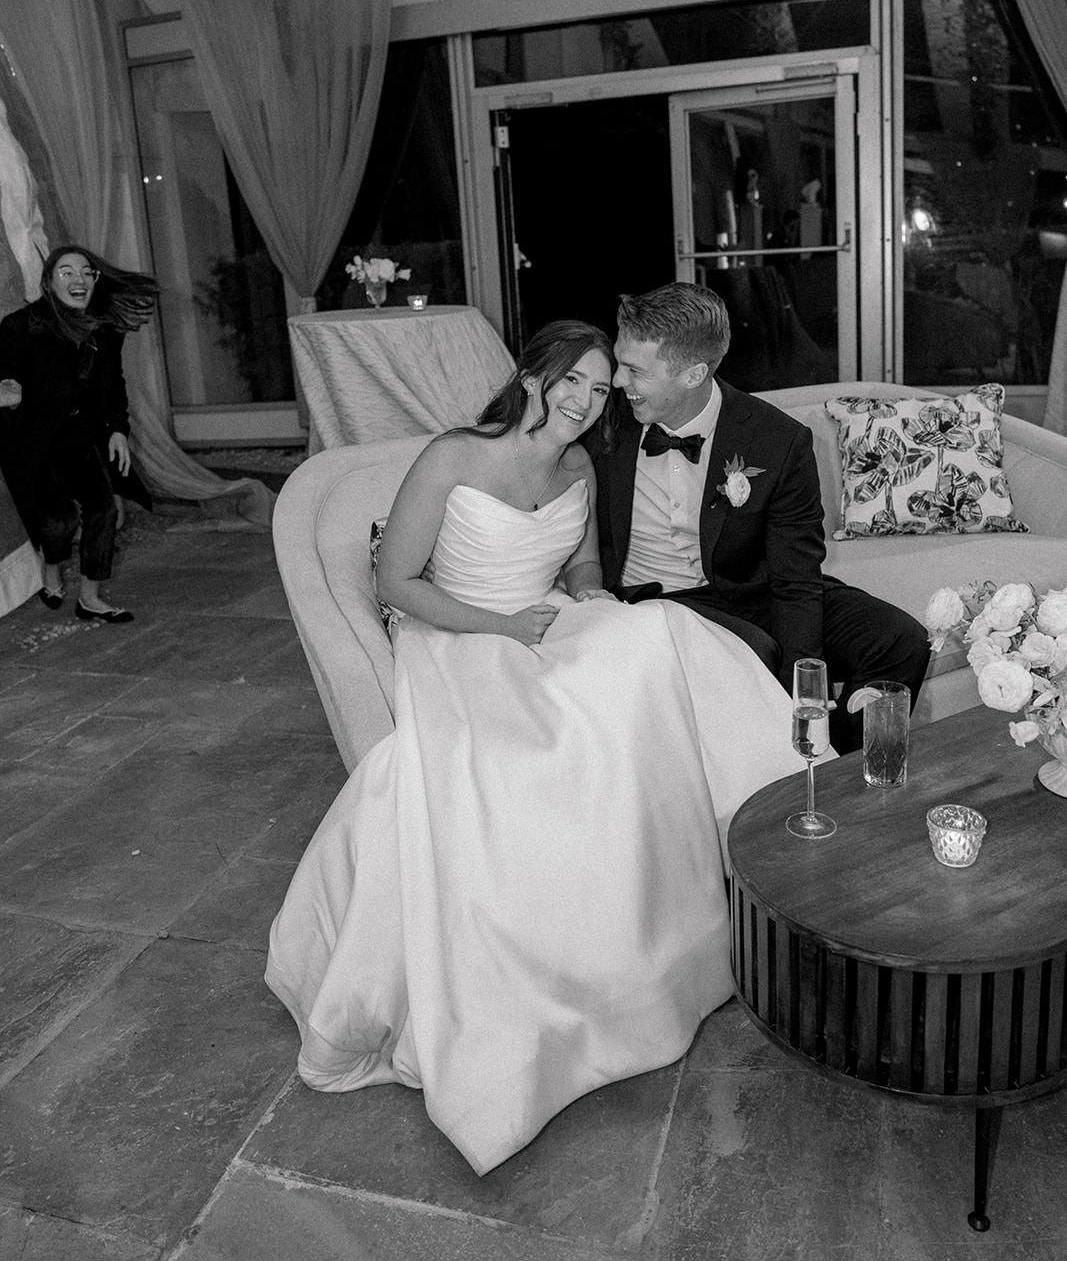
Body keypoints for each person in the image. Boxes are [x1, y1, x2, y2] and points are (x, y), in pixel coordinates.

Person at [265, 320, 809, 1176]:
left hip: (542, 621)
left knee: (655, 643)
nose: (586, 403)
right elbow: (395, 582)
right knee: (536, 753)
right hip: (457, 636)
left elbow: (584, 568)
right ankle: (552, 985)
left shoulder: (580, 467)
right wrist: (504, 627)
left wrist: (591, 605)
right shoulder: (453, 455)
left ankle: (764, 857)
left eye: (600, 391)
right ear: (532, 375)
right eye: (574, 382)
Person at [588, 281, 931, 753]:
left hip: (756, 588)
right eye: (619, 362)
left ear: (693, 374)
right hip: (663, 603)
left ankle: (844, 772)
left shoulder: (777, 439)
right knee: (758, 654)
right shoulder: (601, 418)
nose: (619, 381)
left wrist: (804, 681)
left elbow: (796, 576)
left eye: (634, 370)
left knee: (900, 640)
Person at [0, 245, 159, 622]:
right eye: (67, 272)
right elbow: (5, 375)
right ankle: (51, 567)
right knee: (59, 522)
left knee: (103, 508)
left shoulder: (102, 330)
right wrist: (10, 393)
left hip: (79, 435)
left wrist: (118, 430)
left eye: (87, 272)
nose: (79, 279)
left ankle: (90, 597)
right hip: (33, 439)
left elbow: (114, 385)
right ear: (49, 282)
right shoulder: (21, 326)